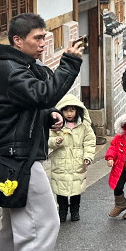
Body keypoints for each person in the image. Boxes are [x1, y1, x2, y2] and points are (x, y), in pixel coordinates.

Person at [0, 13, 84, 251]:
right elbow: (43, 92)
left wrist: (47, 114)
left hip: (11, 157)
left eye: (44, 37)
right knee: (44, 224)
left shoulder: (15, 67)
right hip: (19, 160)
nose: (43, 43)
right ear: (17, 41)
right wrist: (69, 61)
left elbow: (29, 103)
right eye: (37, 38)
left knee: (13, 226)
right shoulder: (11, 71)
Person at [46, 93, 95, 223]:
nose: (69, 114)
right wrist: (56, 141)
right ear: (61, 111)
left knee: (76, 190)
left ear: (77, 110)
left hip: (77, 163)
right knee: (60, 190)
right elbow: (48, 140)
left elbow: (89, 142)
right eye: (66, 110)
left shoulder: (84, 126)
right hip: (60, 163)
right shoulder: (56, 126)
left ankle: (75, 210)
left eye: (72, 110)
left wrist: (88, 156)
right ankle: (62, 211)